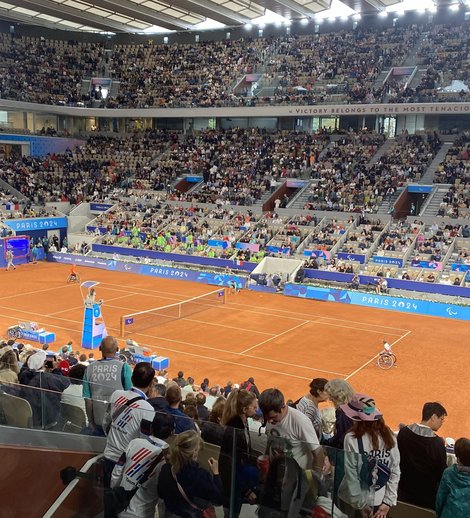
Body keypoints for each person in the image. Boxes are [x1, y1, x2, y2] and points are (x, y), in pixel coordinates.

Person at [339, 393, 400, 518]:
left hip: (355, 502)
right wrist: (387, 502)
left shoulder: (351, 438)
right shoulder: (389, 435)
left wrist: (361, 505)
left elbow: (352, 475)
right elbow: (395, 470)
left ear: (355, 418)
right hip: (380, 501)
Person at [110, 412, 175, 518]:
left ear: (151, 427)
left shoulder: (134, 443)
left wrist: (115, 493)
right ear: (172, 433)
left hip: (120, 507)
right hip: (143, 513)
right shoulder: (168, 460)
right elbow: (163, 497)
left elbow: (117, 470)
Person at [103, 362, 156, 489]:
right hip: (126, 465)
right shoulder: (148, 408)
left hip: (108, 454)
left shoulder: (116, 394)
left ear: (132, 378)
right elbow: (145, 442)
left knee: (107, 496)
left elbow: (105, 422)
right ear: (151, 384)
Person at [157, 430, 224, 517]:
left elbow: (161, 494)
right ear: (194, 452)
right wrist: (216, 473)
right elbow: (218, 500)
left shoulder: (166, 469)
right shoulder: (202, 476)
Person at [397, 402, 448, 509]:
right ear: (433, 417)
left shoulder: (403, 433)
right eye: (441, 419)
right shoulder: (437, 443)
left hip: (402, 491)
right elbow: (441, 473)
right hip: (427, 499)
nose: (442, 422)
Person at [82, 336, 133, 437]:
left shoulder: (89, 369)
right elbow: (130, 396)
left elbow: (88, 400)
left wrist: (91, 422)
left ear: (100, 348)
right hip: (119, 424)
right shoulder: (124, 367)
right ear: (117, 349)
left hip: (98, 421)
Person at [219, 389, 259, 516]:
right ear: (244, 409)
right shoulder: (234, 431)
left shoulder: (243, 423)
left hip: (238, 481)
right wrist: (247, 491)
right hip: (234, 484)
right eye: (254, 406)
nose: (257, 408)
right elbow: (232, 466)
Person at [436, 437, 470, 518]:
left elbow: (440, 498)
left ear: (457, 456)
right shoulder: (448, 472)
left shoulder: (449, 472)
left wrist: (438, 514)